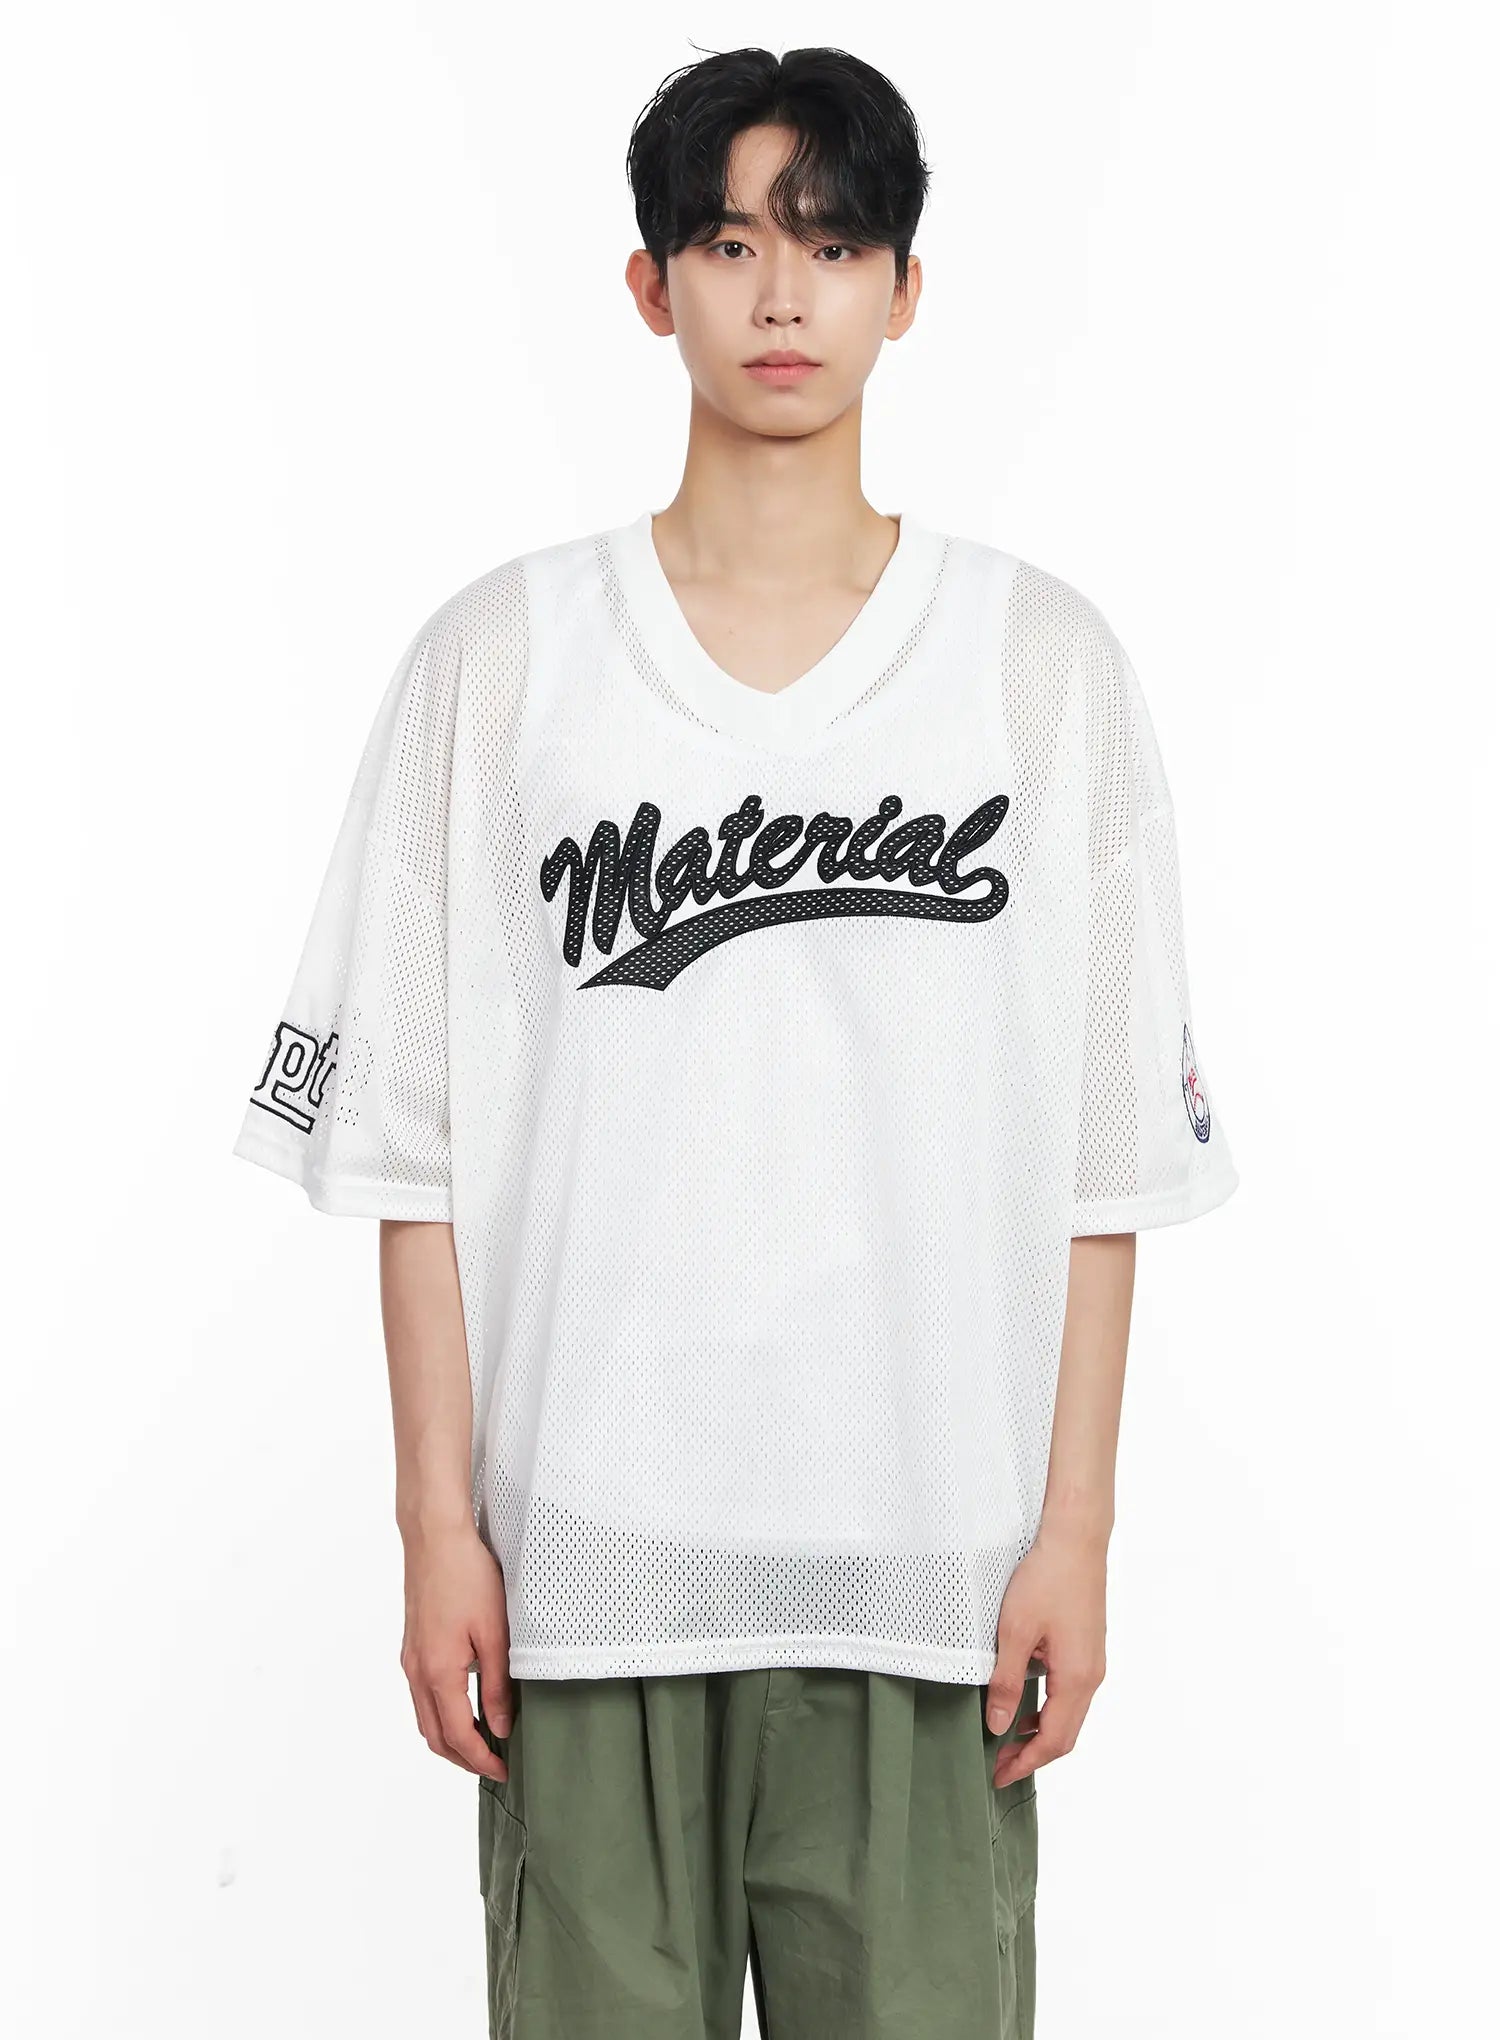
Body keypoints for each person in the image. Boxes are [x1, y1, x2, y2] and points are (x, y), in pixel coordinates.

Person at [231, 42, 1239, 2040]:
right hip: (592, 1563)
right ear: (650, 284)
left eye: (836, 245)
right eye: (731, 242)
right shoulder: (502, 661)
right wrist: (438, 1533)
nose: (784, 295)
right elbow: (411, 1152)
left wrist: (1077, 1531)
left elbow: (1104, 1162)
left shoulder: (1038, 667)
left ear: (907, 290)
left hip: (928, 1568)